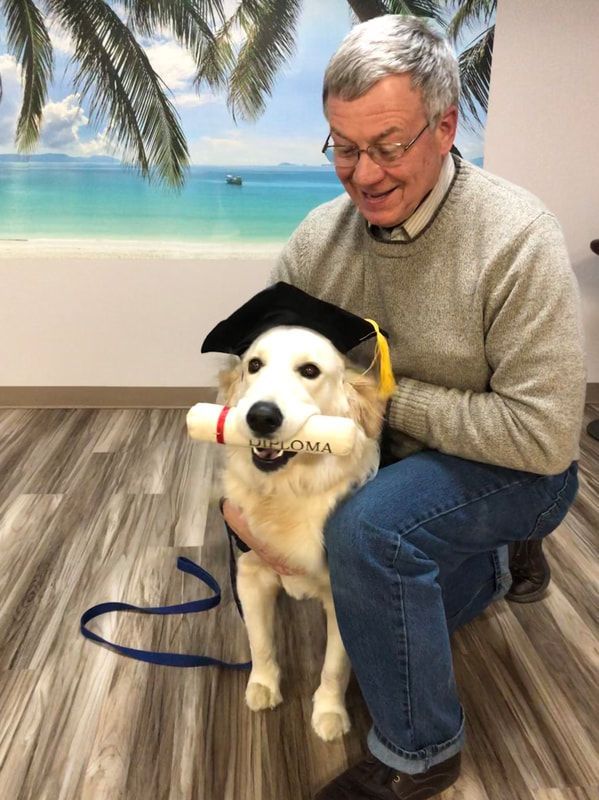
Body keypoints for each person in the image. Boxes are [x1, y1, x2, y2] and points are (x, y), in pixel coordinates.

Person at [222, 15, 586, 800]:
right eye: (343, 148)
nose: (363, 174)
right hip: (387, 457)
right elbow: (260, 385)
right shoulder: (315, 244)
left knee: (369, 539)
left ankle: (419, 752)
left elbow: (544, 434)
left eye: (386, 146)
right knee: (374, 603)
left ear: (445, 125)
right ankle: (486, 560)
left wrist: (381, 399)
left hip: (517, 466)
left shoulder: (515, 239)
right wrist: (245, 498)